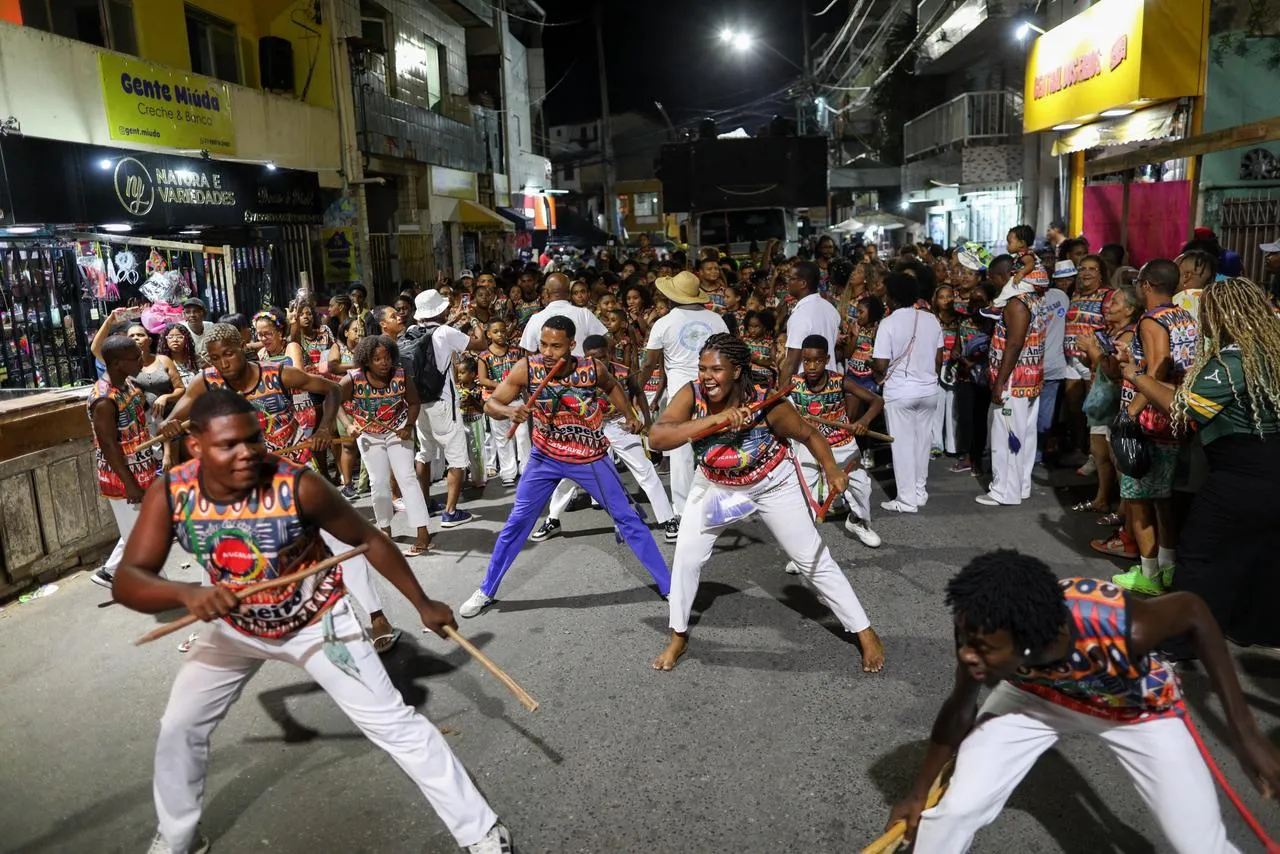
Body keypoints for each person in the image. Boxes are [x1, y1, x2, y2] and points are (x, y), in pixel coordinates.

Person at [113, 390, 512, 854]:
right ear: (196, 446)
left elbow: (365, 539)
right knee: (180, 724)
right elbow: (128, 580)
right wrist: (186, 593)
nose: (248, 455)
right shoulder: (172, 493)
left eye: (254, 440)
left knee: (393, 724)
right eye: (230, 446)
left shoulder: (297, 485)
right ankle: (178, 836)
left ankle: (480, 831)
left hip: (316, 620)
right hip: (236, 628)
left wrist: (422, 602)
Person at [885, 550, 1280, 854]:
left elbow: (1193, 611)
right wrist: (919, 794)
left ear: (1028, 642)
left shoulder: (1118, 624)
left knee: (1198, 844)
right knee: (955, 810)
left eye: (983, 648)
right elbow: (959, 710)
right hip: (1036, 697)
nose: (967, 654)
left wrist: (1245, 733)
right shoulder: (980, 636)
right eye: (964, 641)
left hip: (1134, 710)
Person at [649, 334, 885, 673]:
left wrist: (831, 468)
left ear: (737, 371)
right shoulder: (692, 394)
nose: (706, 376)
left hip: (772, 484)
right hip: (720, 488)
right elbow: (658, 437)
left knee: (812, 559)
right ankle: (678, 636)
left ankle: (864, 631)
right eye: (702, 368)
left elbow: (809, 434)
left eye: (716, 369)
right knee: (686, 558)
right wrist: (716, 420)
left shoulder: (768, 404)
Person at [458, 316, 671, 618]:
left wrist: (631, 414)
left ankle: (669, 586)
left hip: (590, 457)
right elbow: (491, 405)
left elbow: (612, 386)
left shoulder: (591, 368)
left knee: (627, 519)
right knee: (517, 523)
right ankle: (486, 590)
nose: (547, 351)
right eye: (543, 344)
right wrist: (509, 410)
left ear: (571, 346)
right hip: (545, 458)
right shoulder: (527, 368)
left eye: (556, 346)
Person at [1121, 277, 1280, 648]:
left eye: (1206, 313)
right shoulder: (1271, 352)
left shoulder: (1232, 361)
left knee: (1199, 553)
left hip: (1241, 473)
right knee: (1261, 551)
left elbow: (1183, 408)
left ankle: (1180, 641)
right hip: (1271, 468)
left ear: (1220, 315)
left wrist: (1137, 377)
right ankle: (1258, 628)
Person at [532, 335, 678, 543]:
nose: (598, 361)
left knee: (644, 469)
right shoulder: (576, 373)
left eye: (602, 357)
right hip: (588, 427)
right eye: (593, 357)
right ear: (584, 356)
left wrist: (646, 421)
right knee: (570, 475)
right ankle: (553, 520)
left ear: (609, 354)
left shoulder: (623, 371)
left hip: (620, 424)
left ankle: (668, 519)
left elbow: (638, 393)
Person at [1111, 260, 1197, 595]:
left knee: (1138, 498)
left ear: (1146, 285)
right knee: (1163, 498)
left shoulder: (1151, 321)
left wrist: (1131, 411)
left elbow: (1158, 368)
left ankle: (1148, 574)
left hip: (1149, 421)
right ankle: (1168, 566)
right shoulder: (1183, 316)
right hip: (1173, 416)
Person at [639, 271, 730, 526]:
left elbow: (649, 364)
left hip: (681, 395)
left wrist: (638, 392)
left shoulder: (664, 323)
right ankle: (716, 507)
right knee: (715, 448)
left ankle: (682, 513)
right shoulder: (717, 321)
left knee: (681, 455)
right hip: (714, 391)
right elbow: (730, 356)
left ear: (671, 297)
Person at [786, 334, 882, 551]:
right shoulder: (794, 384)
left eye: (818, 361)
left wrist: (863, 422)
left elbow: (877, 401)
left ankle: (857, 522)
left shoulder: (840, 380)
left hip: (842, 445)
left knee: (862, 488)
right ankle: (803, 550)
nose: (811, 366)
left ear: (827, 359)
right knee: (805, 496)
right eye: (807, 360)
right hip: (809, 447)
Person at [340, 334, 431, 558]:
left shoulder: (401, 375)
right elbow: (333, 401)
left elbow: (414, 403)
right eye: (377, 359)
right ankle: (384, 529)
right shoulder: (353, 378)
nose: (384, 363)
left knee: (407, 478)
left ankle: (422, 533)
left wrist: (408, 425)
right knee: (378, 482)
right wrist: (348, 424)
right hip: (368, 432)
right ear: (366, 361)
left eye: (387, 357)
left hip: (397, 429)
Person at [407, 290, 486, 530]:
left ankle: (425, 503)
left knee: (425, 453)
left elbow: (436, 333)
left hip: (419, 404)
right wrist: (473, 320)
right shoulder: (445, 332)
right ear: (441, 310)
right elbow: (480, 343)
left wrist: (454, 320)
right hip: (443, 404)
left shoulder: (411, 332)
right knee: (457, 458)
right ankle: (450, 512)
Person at [87, 335, 160, 589]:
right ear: (117, 363)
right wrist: (129, 483)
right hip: (123, 477)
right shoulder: (104, 399)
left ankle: (110, 572)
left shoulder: (127, 384)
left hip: (141, 469)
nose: (141, 360)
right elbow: (108, 446)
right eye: (135, 357)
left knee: (137, 527)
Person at [977, 251, 1047, 508]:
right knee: (1024, 436)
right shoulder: (1033, 297)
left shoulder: (1017, 302)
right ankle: (1020, 486)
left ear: (1005, 275)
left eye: (994, 277)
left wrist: (999, 382)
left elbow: (1015, 344)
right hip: (1029, 378)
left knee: (1005, 437)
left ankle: (1003, 491)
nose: (993, 282)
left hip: (1014, 382)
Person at [873, 273, 943, 513]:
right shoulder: (931, 319)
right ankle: (919, 491)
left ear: (891, 297)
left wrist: (877, 374)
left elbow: (881, 364)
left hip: (901, 391)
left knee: (902, 445)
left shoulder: (888, 323)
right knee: (922, 443)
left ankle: (906, 499)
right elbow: (938, 358)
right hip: (929, 390)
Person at [1063, 254, 1112, 466]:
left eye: (1092, 269)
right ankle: (1078, 448)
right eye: (1082, 269)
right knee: (1073, 404)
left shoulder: (1108, 296)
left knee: (1092, 408)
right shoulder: (1073, 294)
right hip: (1071, 358)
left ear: (1101, 274)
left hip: (1092, 359)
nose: (1086, 273)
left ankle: (1096, 456)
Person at [475, 320, 529, 487]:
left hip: (517, 399)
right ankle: (508, 472)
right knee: (502, 437)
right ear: (489, 334)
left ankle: (526, 469)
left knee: (522, 435)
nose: (500, 334)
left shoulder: (516, 352)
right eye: (496, 331)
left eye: (503, 330)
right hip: (496, 402)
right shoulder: (484, 356)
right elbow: (483, 379)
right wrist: (502, 386)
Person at [1035, 261, 1073, 465]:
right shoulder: (1061, 297)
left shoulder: (1026, 301)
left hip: (1031, 367)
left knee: (1028, 415)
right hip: (1055, 366)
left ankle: (1027, 455)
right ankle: (1038, 455)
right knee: (1046, 415)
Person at [778, 261, 842, 381]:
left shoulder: (800, 315)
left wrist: (780, 394)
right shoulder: (830, 308)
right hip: (831, 386)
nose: (788, 282)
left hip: (806, 391)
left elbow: (792, 361)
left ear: (802, 283)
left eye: (791, 278)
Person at [932, 285, 961, 459]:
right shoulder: (933, 319)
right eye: (941, 297)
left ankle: (953, 445)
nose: (945, 300)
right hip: (937, 365)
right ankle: (936, 443)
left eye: (949, 296)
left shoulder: (959, 319)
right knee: (937, 405)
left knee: (953, 406)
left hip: (954, 366)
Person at [456, 356, 488, 491]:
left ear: (473, 374)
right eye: (458, 372)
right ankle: (461, 478)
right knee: (461, 451)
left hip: (475, 422)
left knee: (477, 451)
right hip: (460, 423)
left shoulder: (479, 389)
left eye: (462, 373)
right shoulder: (456, 388)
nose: (459, 375)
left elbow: (482, 408)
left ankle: (479, 478)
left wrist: (472, 401)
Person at [181, 298, 210, 364]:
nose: (192, 315)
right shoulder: (180, 329)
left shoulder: (210, 326)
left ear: (203, 313)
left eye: (196, 311)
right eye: (188, 312)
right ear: (184, 315)